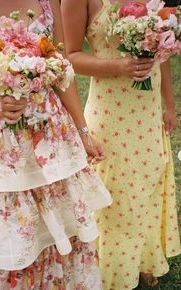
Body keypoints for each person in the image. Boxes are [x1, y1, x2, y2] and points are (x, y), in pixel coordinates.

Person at [0, 0, 112, 289]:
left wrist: (82, 130)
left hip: (53, 143)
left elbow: (63, 71)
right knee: (15, 243)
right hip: (2, 149)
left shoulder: (47, 1)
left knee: (65, 235)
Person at [61, 0, 181, 289]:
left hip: (147, 112)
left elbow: (161, 57)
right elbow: (70, 57)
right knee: (114, 196)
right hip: (110, 114)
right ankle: (109, 268)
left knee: (147, 185)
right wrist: (117, 66)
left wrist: (169, 105)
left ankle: (141, 258)